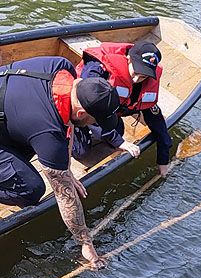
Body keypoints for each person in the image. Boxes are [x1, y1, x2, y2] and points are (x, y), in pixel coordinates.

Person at [0, 56, 120, 268]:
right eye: (95, 121)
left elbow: (68, 124)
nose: (95, 125)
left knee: (41, 163)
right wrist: (86, 243)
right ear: (82, 112)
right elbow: (63, 194)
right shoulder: (47, 130)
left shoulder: (62, 66)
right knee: (29, 190)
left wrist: (65, 168)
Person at [74, 41, 172, 177]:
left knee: (117, 130)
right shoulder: (97, 69)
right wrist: (119, 142)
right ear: (128, 59)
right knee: (80, 152)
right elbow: (87, 105)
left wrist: (163, 159)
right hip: (79, 111)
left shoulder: (144, 83)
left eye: (143, 76)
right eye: (136, 72)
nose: (137, 79)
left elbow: (156, 120)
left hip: (107, 113)